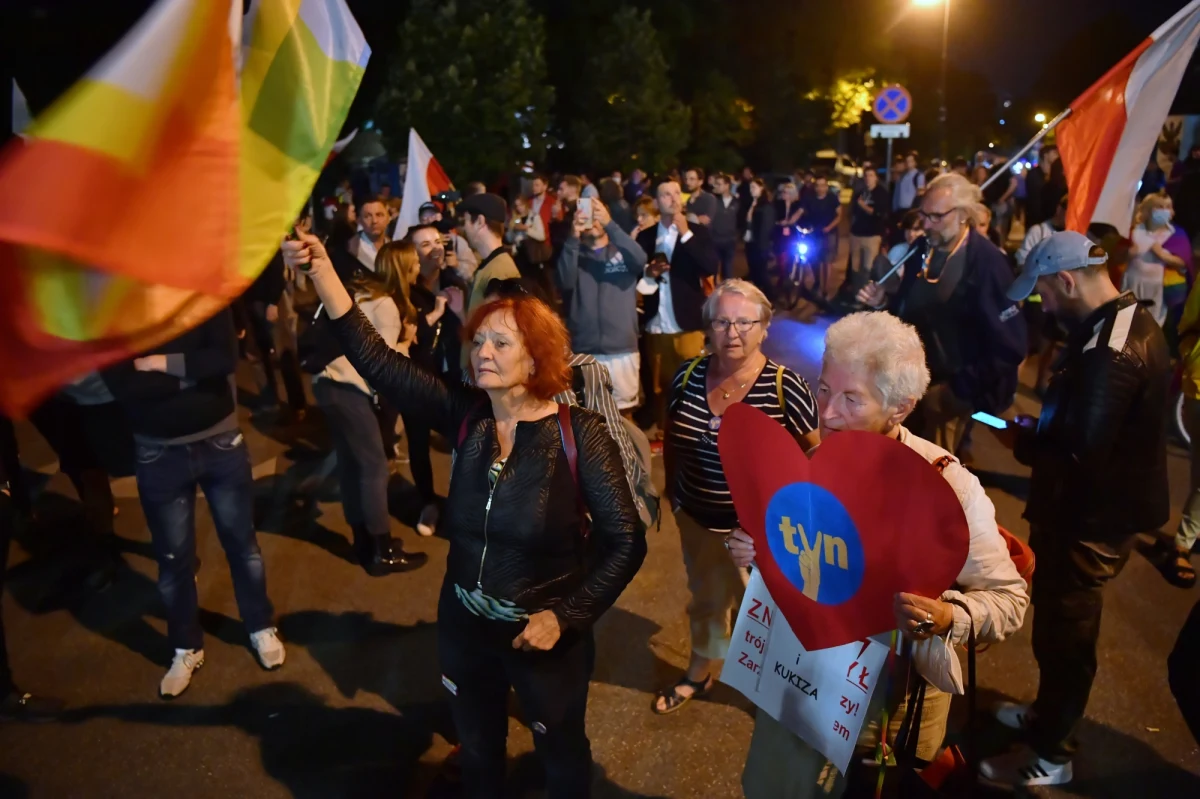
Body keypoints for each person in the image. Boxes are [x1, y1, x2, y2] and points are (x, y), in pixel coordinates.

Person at [281, 232, 647, 798]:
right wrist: (323, 271)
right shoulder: (467, 414)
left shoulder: (582, 435)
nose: (482, 353)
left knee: (562, 757)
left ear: (536, 356)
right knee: (477, 751)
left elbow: (626, 542)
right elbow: (376, 360)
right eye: (478, 341)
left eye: (501, 343)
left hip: (541, 640)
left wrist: (565, 616)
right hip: (463, 628)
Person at [727, 310, 1028, 797]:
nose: (826, 413)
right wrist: (760, 552)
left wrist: (945, 615)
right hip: (799, 692)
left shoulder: (947, 486)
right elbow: (806, 574)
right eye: (823, 389)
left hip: (884, 718)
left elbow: (1008, 601)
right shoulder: (809, 463)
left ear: (901, 408)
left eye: (851, 398)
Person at [983, 231, 1170, 787]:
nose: (1043, 304)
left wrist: (1027, 442)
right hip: (1088, 512)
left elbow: (1082, 449)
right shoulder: (1116, 325)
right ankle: (1047, 715)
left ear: (1065, 280)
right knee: (1060, 626)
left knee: (1068, 634)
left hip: (1091, 521)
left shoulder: (1110, 349)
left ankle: (1053, 751)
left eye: (1043, 292)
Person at [654, 280, 820, 715]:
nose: (733, 332)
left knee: (768, 611)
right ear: (709, 327)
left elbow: (815, 461)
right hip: (697, 517)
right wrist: (674, 496)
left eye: (745, 322)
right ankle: (699, 671)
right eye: (722, 321)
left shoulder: (787, 388)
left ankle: (776, 689)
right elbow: (672, 438)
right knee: (707, 599)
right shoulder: (688, 376)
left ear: (765, 328)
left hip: (761, 534)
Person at [102, 310, 284, 698]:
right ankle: (186, 647)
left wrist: (157, 364)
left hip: (219, 441)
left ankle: (259, 625)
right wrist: (191, 377)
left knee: (242, 544)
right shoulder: (115, 312)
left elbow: (222, 359)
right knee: (173, 559)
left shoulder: (201, 297)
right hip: (158, 452)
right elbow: (123, 385)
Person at [858, 173, 1027, 456]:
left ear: (963, 215)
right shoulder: (922, 247)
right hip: (909, 383)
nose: (925, 224)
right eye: (923, 215)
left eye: (936, 217)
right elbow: (909, 307)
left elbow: (1011, 346)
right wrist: (883, 301)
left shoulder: (987, 264)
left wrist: (956, 392)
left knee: (931, 474)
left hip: (946, 392)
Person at [311, 241, 429, 575]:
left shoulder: (366, 293)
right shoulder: (389, 307)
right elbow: (384, 366)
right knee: (375, 467)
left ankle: (363, 540)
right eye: (415, 263)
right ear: (403, 270)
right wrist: (406, 342)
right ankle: (382, 550)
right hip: (348, 388)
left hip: (327, 383)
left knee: (352, 466)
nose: (419, 268)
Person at [635, 180, 720, 438]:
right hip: (655, 322)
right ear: (657, 203)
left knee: (691, 384)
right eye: (665, 194)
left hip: (687, 322)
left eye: (675, 193)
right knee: (659, 387)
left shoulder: (697, 232)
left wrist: (686, 234)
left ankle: (692, 432)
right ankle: (664, 433)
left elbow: (708, 266)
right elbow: (637, 272)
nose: (672, 198)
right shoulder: (647, 236)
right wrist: (649, 271)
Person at [558, 198, 647, 414]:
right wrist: (573, 237)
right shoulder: (574, 252)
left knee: (624, 415)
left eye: (597, 213)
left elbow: (640, 259)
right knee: (588, 417)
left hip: (621, 350)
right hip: (585, 351)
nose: (593, 220)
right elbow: (564, 281)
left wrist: (610, 225)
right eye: (587, 213)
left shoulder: (622, 250)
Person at [406, 224, 467, 536]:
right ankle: (428, 503)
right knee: (418, 443)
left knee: (464, 442)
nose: (436, 248)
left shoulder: (457, 283)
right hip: (417, 379)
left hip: (455, 379)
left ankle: (462, 505)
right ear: (412, 254)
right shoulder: (404, 290)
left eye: (437, 241)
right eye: (425, 244)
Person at [456, 193, 522, 331]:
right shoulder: (493, 264)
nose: (464, 229)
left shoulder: (499, 270)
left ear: (480, 221)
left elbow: (496, 333)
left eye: (466, 221)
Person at [1125, 192, 1188, 327]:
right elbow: (1116, 257)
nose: (1164, 211)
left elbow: (1184, 262)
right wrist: (1129, 253)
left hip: (1158, 289)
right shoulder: (1135, 231)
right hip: (1131, 285)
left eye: (1168, 206)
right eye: (1160, 207)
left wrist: (1162, 255)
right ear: (1148, 209)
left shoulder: (1176, 234)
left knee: (1150, 325)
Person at [797, 175, 842, 299]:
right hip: (814, 233)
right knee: (813, 259)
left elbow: (839, 215)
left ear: (826, 186)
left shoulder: (832, 198)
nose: (820, 188)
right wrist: (790, 222)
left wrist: (829, 227)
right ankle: (817, 281)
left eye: (823, 185)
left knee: (826, 261)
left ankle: (825, 288)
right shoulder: (809, 198)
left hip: (829, 233)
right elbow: (800, 211)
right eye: (818, 185)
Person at [848, 167, 889, 294]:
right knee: (855, 268)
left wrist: (863, 206)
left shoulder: (881, 193)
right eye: (866, 175)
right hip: (856, 234)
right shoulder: (860, 192)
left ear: (876, 177)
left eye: (871, 175)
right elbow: (852, 211)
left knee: (868, 268)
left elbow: (879, 213)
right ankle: (857, 294)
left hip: (872, 235)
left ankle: (866, 297)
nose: (868, 178)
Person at [744, 178, 777, 298]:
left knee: (762, 273)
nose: (751, 190)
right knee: (754, 272)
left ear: (761, 188)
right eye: (750, 187)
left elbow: (765, 228)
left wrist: (762, 248)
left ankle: (771, 295)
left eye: (754, 187)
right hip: (751, 243)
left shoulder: (766, 206)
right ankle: (760, 294)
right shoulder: (753, 203)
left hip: (760, 245)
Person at [709, 173, 740, 281]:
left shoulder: (736, 202)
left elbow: (740, 220)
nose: (715, 186)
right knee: (713, 270)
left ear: (727, 185)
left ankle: (726, 294)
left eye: (719, 184)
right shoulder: (712, 200)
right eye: (715, 184)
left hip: (730, 240)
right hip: (714, 240)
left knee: (727, 270)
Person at [349, 195, 391, 272]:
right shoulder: (350, 251)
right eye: (367, 216)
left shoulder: (395, 247)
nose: (374, 221)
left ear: (388, 218)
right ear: (359, 220)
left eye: (379, 215)